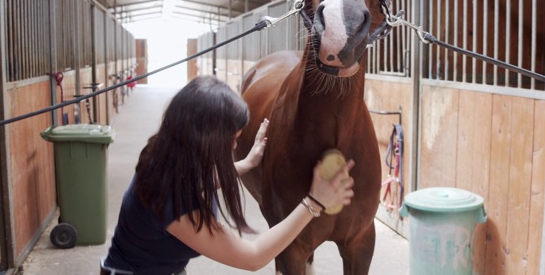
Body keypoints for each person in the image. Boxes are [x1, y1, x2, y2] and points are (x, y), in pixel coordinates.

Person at [101, 76, 355, 274]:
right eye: (232, 139)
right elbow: (253, 257)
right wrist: (314, 202)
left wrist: (246, 163)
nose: (234, 146)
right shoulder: (171, 202)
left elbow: (197, 183)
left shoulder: (167, 153)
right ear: (206, 140)